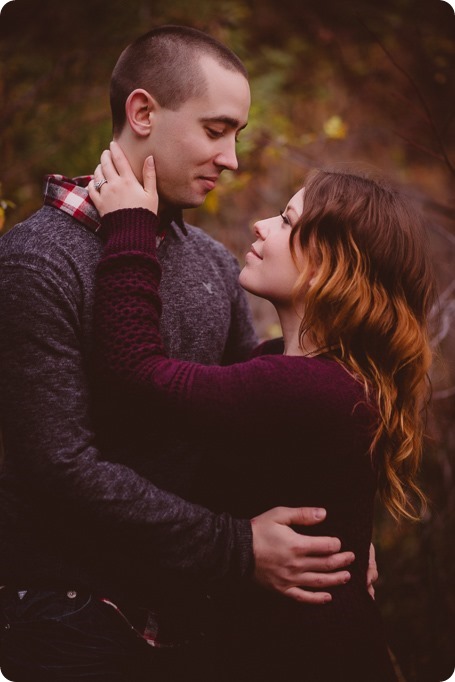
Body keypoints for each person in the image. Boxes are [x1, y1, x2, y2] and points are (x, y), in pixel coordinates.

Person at [0, 26, 356, 682]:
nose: (232, 159)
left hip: (187, 614)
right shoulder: (36, 261)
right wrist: (234, 545)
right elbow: (58, 466)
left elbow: (247, 428)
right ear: (142, 113)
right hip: (71, 620)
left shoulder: (212, 264)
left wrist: (342, 532)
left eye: (238, 135)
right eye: (216, 129)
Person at [88, 142, 435, 681]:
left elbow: (136, 373)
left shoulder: (299, 388)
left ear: (327, 268)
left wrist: (130, 228)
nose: (259, 224)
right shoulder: (305, 371)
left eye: (285, 219)